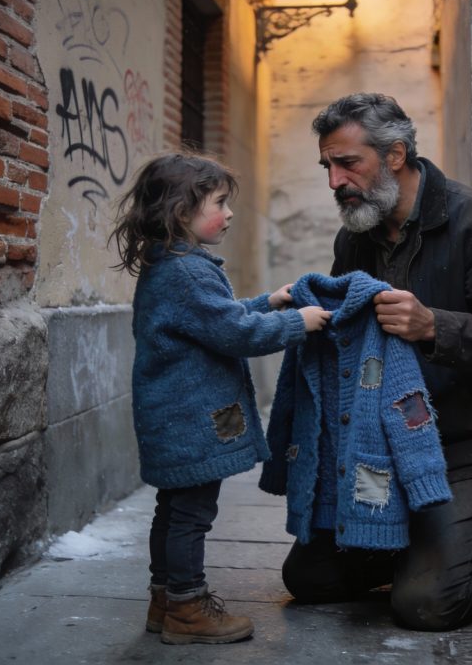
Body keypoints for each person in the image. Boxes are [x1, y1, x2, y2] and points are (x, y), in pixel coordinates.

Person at [278, 92, 472, 632]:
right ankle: (421, 547)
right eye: (327, 167)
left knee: (427, 605)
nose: (335, 181)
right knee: (309, 578)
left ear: (395, 155)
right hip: (383, 449)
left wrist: (434, 325)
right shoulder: (354, 237)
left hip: (469, 446)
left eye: (347, 163)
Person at [109, 152, 331, 645]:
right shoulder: (187, 272)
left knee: (172, 510)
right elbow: (234, 332)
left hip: (171, 417)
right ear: (181, 211)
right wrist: (297, 322)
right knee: (192, 515)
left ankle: (165, 599)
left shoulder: (171, 265)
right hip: (190, 422)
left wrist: (267, 302)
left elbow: (211, 320)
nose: (229, 214)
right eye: (220, 203)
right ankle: (188, 609)